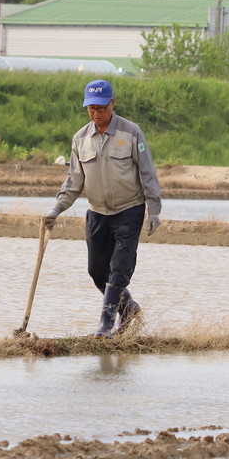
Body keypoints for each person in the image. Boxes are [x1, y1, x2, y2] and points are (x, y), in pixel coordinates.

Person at [44, 79, 162, 337]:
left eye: (100, 107)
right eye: (91, 108)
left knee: (119, 267)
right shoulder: (81, 138)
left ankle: (105, 325)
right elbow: (74, 181)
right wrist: (56, 209)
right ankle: (128, 308)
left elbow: (147, 173)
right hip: (97, 212)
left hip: (129, 209)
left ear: (112, 103)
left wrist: (154, 210)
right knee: (97, 270)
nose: (96, 113)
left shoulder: (131, 133)